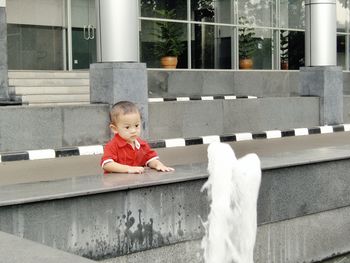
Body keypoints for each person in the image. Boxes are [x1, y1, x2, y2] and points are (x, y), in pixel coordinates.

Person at [101, 101, 174, 174]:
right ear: (115, 129)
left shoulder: (142, 144)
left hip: (136, 182)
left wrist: (158, 165)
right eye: (127, 127)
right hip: (116, 183)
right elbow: (107, 164)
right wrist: (128, 169)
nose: (133, 131)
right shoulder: (112, 146)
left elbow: (150, 159)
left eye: (136, 125)